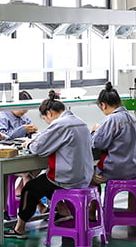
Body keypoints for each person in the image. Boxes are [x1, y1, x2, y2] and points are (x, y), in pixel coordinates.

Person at [6, 92, 93, 239]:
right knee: (44, 181)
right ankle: (63, 211)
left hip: (67, 177)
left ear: (50, 113)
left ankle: (19, 228)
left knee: (29, 188)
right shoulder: (80, 121)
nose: (47, 123)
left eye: (45, 119)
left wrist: (28, 145)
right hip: (84, 175)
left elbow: (39, 149)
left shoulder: (59, 124)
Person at [89, 82, 136, 185]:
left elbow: (98, 144)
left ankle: (97, 201)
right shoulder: (133, 119)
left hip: (112, 172)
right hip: (131, 170)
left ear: (103, 105)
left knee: (85, 177)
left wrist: (94, 131)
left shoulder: (111, 119)